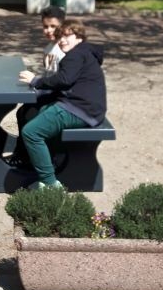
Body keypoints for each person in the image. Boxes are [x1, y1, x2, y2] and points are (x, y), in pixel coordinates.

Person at [18, 19, 107, 189]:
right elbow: (68, 83)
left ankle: (50, 184)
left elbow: (64, 80)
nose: (62, 40)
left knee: (31, 132)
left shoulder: (76, 54)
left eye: (67, 35)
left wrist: (36, 81)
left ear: (79, 37)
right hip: (89, 108)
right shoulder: (85, 53)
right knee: (40, 111)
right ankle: (47, 162)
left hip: (80, 110)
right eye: (60, 37)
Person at [5, 5, 66, 168]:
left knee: (29, 113)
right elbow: (49, 77)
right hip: (51, 93)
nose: (48, 30)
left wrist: (37, 85)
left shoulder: (62, 50)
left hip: (61, 99)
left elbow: (59, 81)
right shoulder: (49, 48)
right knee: (23, 111)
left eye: (53, 26)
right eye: (45, 26)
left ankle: (27, 156)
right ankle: (24, 153)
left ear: (62, 25)